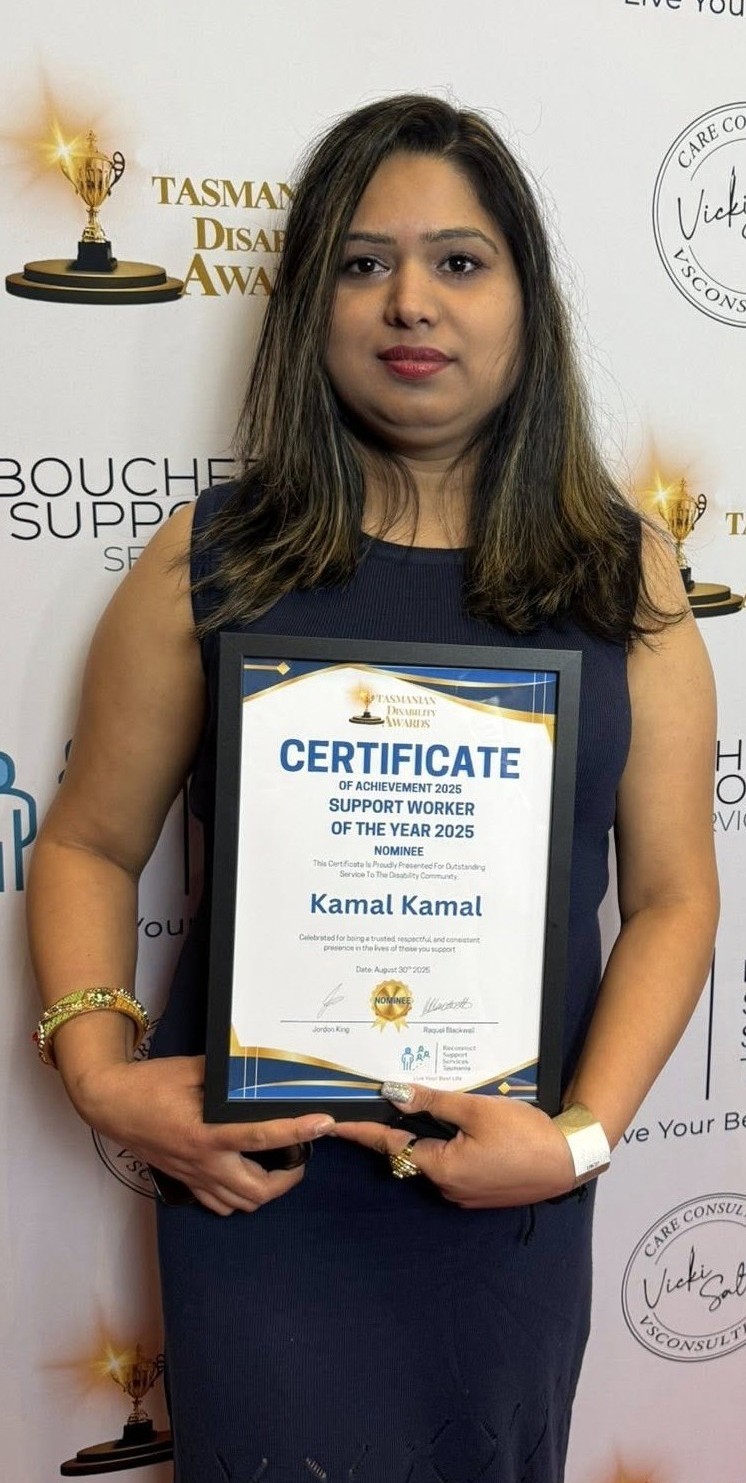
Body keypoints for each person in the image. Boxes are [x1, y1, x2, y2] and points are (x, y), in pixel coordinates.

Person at [27, 95, 718, 1483]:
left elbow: (671, 898)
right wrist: (100, 1076)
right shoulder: (210, 559)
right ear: (311, 306)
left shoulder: (621, 573)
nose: (411, 301)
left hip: (508, 1192)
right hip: (260, 1195)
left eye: (460, 260)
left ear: (525, 300)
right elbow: (90, 845)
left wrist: (577, 1142)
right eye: (362, 263)